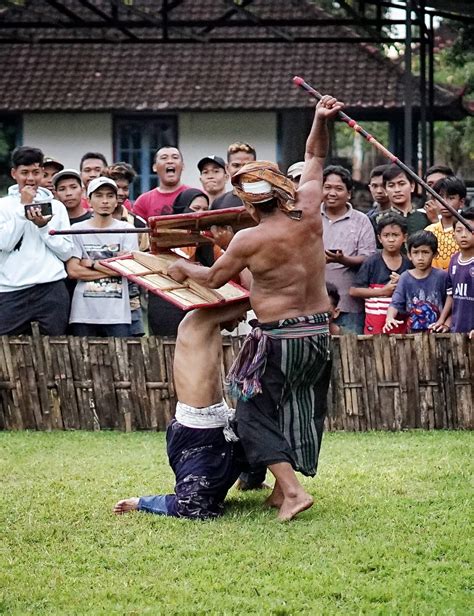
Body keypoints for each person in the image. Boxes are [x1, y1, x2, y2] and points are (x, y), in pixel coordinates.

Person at [167, 94, 344, 521]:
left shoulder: (250, 239)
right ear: (282, 188)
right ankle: (281, 492)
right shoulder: (310, 211)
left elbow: (210, 279)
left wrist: (180, 265)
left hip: (279, 339)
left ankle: (293, 491)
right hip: (318, 333)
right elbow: (315, 154)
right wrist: (321, 118)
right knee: (295, 406)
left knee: (250, 415)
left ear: (248, 203)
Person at [114, 300, 250, 519]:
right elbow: (252, 298)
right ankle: (141, 502)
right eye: (240, 312)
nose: (243, 318)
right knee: (194, 507)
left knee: (263, 426)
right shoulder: (196, 320)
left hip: (222, 421)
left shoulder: (211, 325)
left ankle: (250, 478)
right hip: (195, 434)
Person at [0, 146, 73, 335]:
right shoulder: (3, 205)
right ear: (14, 173)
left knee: (56, 350)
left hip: (51, 288)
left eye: (35, 172)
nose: (30, 179)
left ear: (42, 172)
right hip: (11, 290)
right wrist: (23, 209)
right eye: (24, 172)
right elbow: (5, 243)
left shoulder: (56, 206)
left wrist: (43, 227)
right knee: (7, 351)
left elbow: (66, 251)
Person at [66, 177, 138, 336]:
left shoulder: (127, 229)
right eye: (99, 195)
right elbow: (73, 271)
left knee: (121, 359)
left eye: (110, 196)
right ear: (89, 200)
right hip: (83, 313)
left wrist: (91, 263)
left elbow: (130, 269)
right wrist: (115, 265)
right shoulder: (76, 229)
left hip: (117, 315)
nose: (105, 201)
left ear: (116, 201)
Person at [321, 165, 377, 334]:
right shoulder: (310, 217)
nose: (332, 193)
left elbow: (369, 258)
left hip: (350, 304)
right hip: (315, 306)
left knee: (351, 354)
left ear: (349, 194)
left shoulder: (361, 221)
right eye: (327, 187)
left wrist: (343, 260)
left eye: (339, 188)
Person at [350, 214, 411, 334]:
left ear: (405, 237)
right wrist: (383, 291)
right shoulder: (372, 262)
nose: (391, 239)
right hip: (375, 324)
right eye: (386, 235)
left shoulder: (409, 264)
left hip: (401, 324)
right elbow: (354, 291)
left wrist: (403, 282)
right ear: (379, 238)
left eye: (396, 235)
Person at [383, 230, 447, 333]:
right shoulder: (405, 277)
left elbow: (451, 304)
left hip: (438, 332)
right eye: (416, 252)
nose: (420, 258)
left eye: (425, 252)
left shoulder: (442, 276)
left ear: (435, 254)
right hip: (412, 334)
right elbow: (396, 303)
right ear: (409, 255)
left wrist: (446, 324)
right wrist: (389, 318)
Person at [430, 208, 474, 334]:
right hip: (457, 329)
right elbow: (451, 294)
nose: (464, 235)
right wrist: (442, 320)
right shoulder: (454, 260)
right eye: (459, 230)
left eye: (469, 230)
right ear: (454, 234)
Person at [133, 146, 189, 222]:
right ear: (154, 167)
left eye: (175, 157)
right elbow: (139, 232)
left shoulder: (196, 196)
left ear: (183, 166)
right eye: (164, 158)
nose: (170, 161)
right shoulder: (143, 201)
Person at [425, 176, 466, 270]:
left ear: (461, 202)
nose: (444, 203)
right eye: (440, 197)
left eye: (451, 198)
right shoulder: (429, 231)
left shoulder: (468, 231)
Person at [378, 164, 429, 235]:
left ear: (412, 186)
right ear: (385, 190)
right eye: (391, 185)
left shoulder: (426, 217)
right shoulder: (376, 220)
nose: (397, 190)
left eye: (401, 184)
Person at [212, 142, 257, 210]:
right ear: (227, 168)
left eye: (246, 165)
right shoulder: (218, 203)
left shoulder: (268, 199)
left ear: (255, 167)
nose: (241, 170)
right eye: (236, 165)